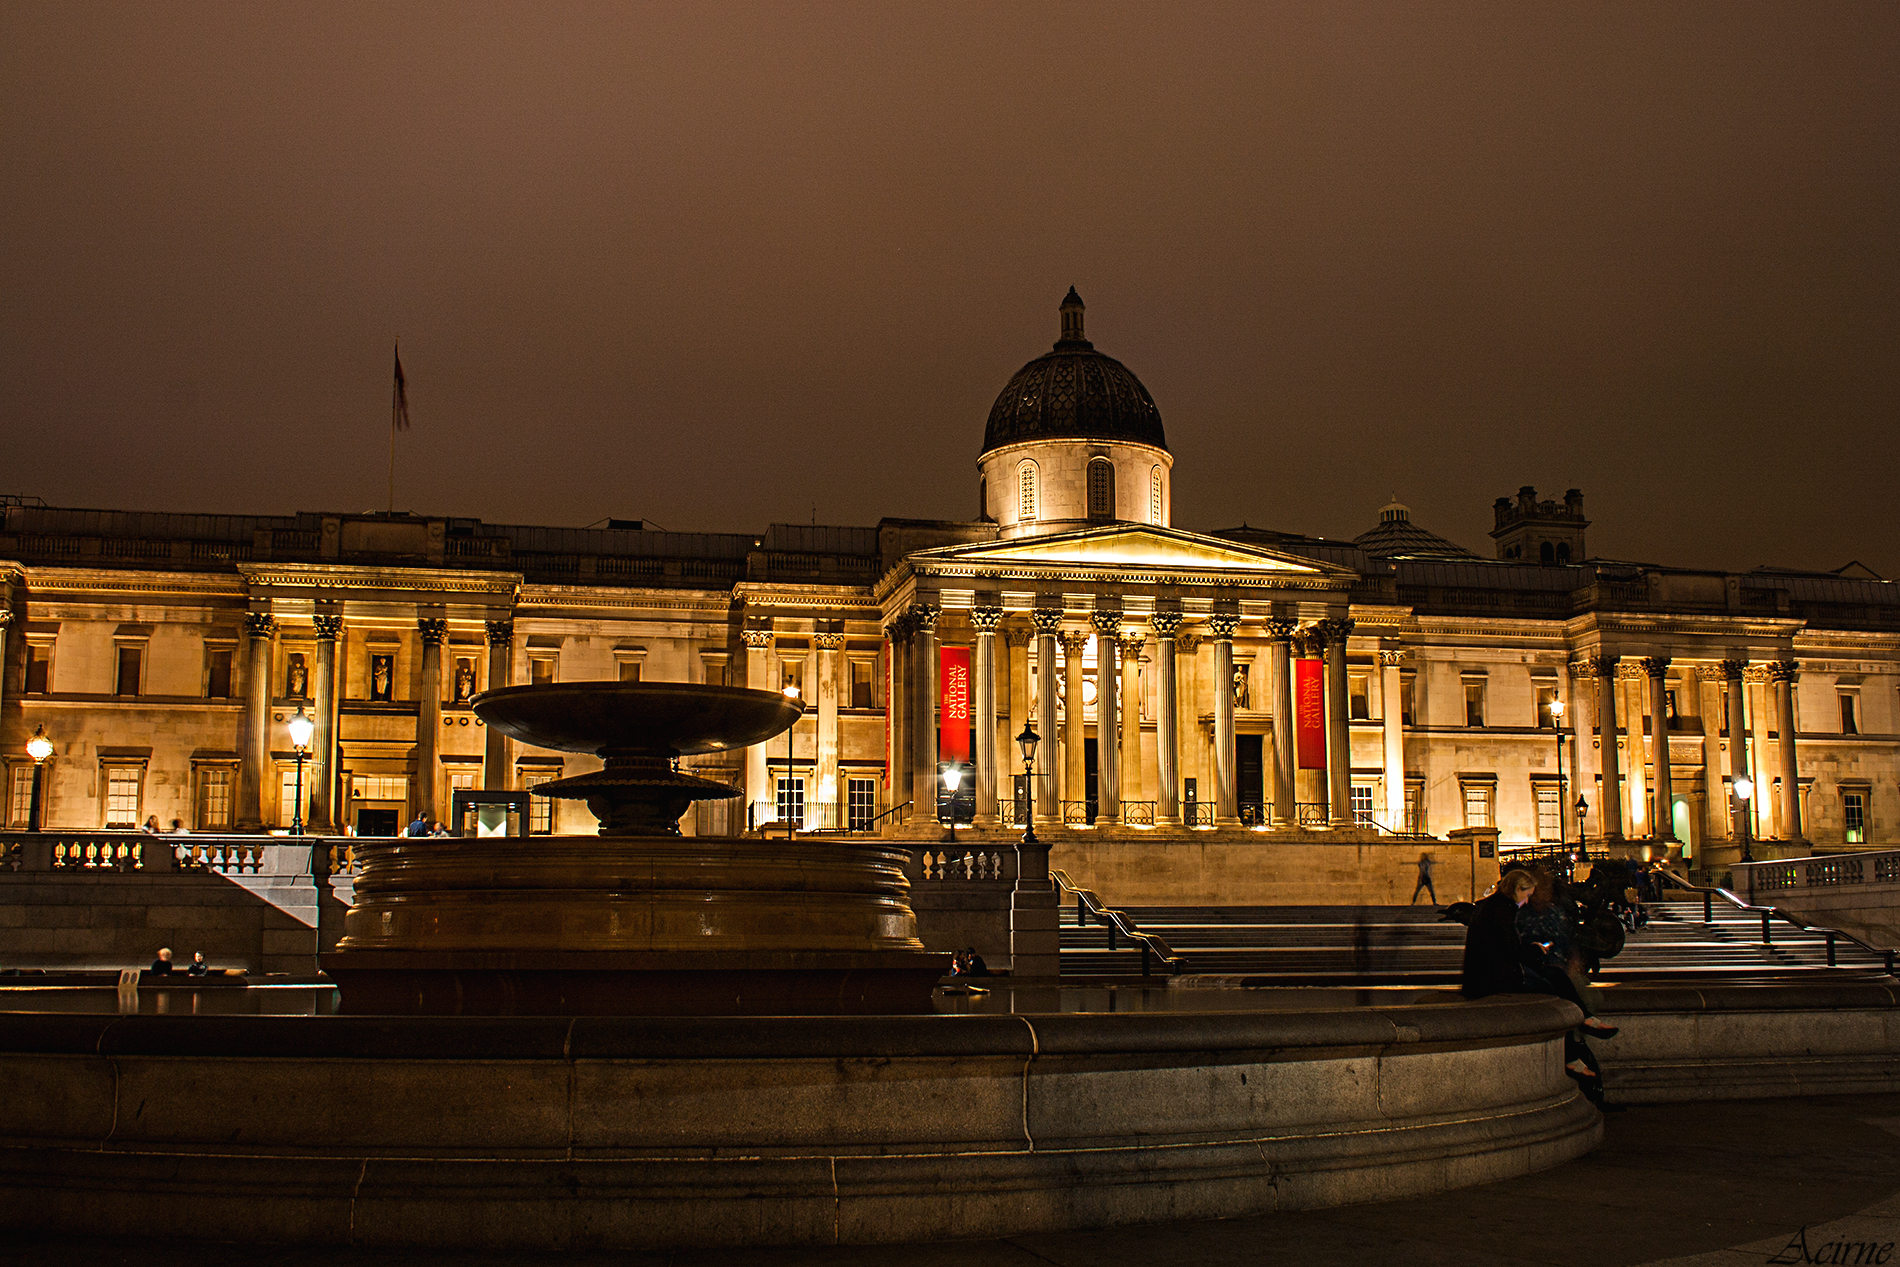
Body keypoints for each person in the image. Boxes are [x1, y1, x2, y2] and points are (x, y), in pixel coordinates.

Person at [1461, 869, 1535, 999]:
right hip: (1493, 980)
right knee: (1550, 984)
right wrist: (1535, 950)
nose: (1527, 901)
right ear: (1518, 889)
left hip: (1479, 978)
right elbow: (1510, 948)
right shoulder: (1503, 910)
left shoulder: (1492, 904)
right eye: (1527, 895)